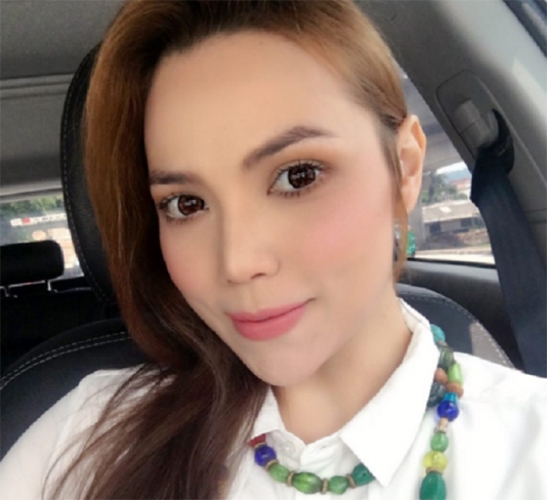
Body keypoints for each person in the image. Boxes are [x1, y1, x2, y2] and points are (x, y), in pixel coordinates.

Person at [1, 1, 546, 499]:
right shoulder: (87, 437)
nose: (237, 262)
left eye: (298, 176)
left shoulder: (530, 448)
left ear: (404, 167)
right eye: (186, 204)